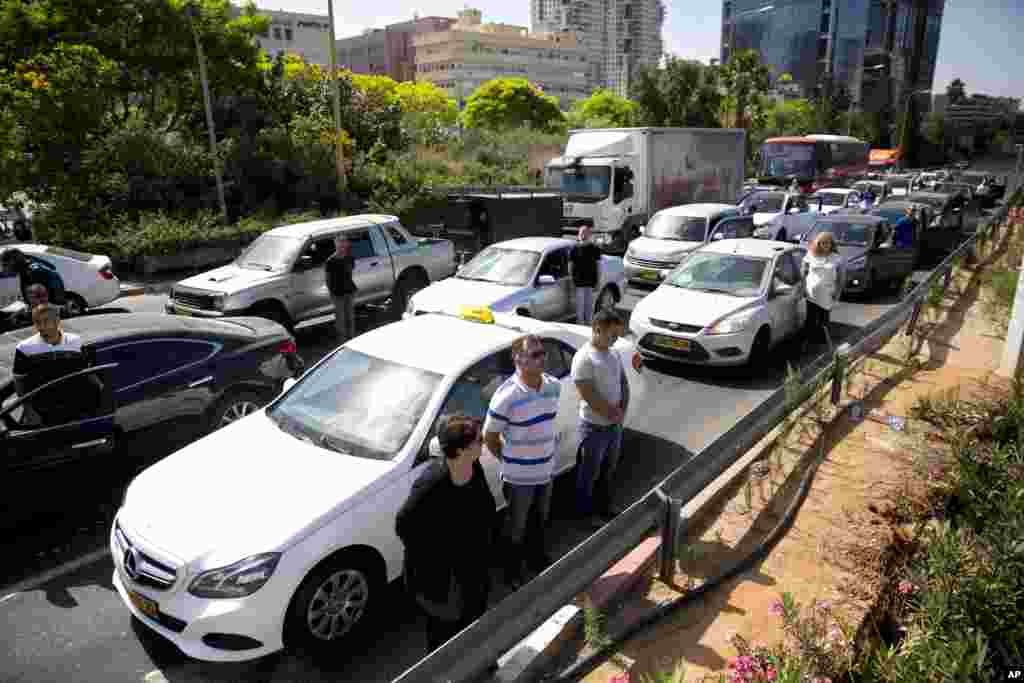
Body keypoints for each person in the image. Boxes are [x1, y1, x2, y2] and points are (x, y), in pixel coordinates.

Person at [396, 414, 498, 656]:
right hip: (441, 577)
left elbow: (485, 507)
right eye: (479, 440)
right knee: (444, 628)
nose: (483, 443)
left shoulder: (474, 467)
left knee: (474, 615)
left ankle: (474, 659)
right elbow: (404, 525)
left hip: (472, 565)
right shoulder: (431, 484)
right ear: (462, 449)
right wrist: (436, 554)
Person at [483, 335, 561, 588]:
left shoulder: (553, 386)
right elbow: (490, 436)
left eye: (543, 353)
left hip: (546, 471)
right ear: (518, 359)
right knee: (516, 528)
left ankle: (537, 561)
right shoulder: (506, 396)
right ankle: (512, 573)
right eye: (535, 354)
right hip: (519, 478)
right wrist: (509, 460)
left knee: (540, 520)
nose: (542, 358)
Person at [571, 309, 630, 529]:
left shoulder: (612, 353)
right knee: (589, 473)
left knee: (608, 470)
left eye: (617, 335)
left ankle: (604, 507)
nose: (615, 340)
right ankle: (583, 515)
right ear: (597, 330)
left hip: (614, 425)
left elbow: (623, 383)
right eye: (612, 335)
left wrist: (621, 411)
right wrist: (612, 414)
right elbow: (588, 394)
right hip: (594, 427)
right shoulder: (584, 358)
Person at [12, 304, 88, 424]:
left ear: (57, 321)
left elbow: (86, 373)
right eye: (37, 322)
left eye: (46, 321)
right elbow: (19, 382)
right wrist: (29, 410)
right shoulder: (24, 348)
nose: (41, 326)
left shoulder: (76, 342)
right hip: (43, 412)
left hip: (76, 409)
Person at [801, 233, 845, 345]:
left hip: (827, 294)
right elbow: (803, 272)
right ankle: (808, 342)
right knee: (810, 320)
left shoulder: (837, 258)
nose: (825, 245)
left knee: (823, 320)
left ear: (831, 244)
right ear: (818, 244)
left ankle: (823, 343)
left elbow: (841, 278)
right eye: (822, 243)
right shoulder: (811, 255)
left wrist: (838, 293)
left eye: (827, 243)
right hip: (811, 295)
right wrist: (803, 287)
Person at [325, 236, 357, 342]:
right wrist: (332, 293)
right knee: (340, 319)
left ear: (347, 244)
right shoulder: (330, 261)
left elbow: (350, 273)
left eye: (344, 242)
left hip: (349, 291)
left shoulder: (350, 258)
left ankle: (352, 339)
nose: (342, 244)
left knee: (350, 317)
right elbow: (328, 279)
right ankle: (342, 342)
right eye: (340, 242)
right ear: (335, 244)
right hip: (337, 294)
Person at [570, 226, 602, 325]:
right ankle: (580, 325)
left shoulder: (595, 248)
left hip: (590, 282)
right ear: (578, 234)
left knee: (589, 306)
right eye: (581, 232)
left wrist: (598, 282)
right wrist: (571, 281)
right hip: (578, 282)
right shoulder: (574, 248)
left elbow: (598, 266)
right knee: (580, 307)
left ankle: (588, 325)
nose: (583, 234)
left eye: (585, 232)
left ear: (589, 234)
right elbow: (570, 266)